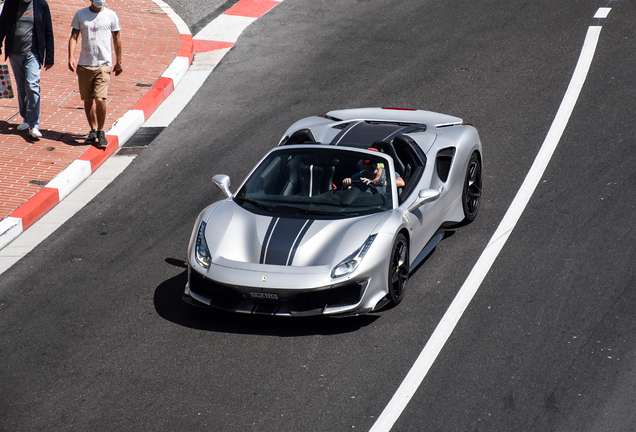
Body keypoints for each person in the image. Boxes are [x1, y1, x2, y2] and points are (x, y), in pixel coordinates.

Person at [67, 0, 122, 149]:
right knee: (87, 99)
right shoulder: (81, 14)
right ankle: (92, 129)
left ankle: (101, 130)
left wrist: (119, 61)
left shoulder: (111, 15)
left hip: (103, 65)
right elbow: (74, 36)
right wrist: (71, 57)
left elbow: (117, 39)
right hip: (84, 64)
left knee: (99, 99)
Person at [0, 0, 54, 140]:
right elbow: (2, 25)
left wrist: (50, 58)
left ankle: (34, 124)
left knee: (32, 85)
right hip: (15, 53)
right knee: (22, 87)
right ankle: (25, 118)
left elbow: (48, 31)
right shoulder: (11, 4)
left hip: (33, 53)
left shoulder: (41, 5)